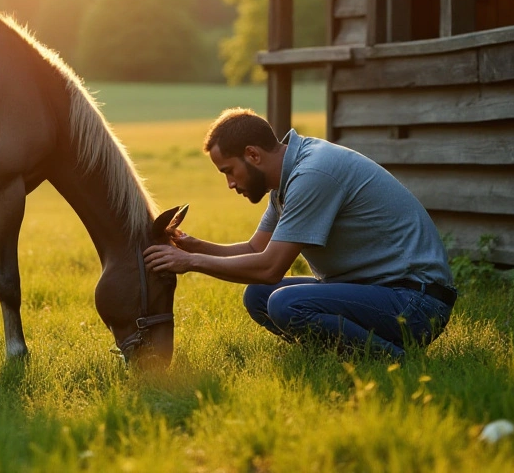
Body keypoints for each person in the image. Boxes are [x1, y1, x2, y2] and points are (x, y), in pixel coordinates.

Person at [143, 108, 455, 359]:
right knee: (259, 297)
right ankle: (341, 358)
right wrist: (192, 246)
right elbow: (255, 249)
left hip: (416, 303)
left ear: (252, 155)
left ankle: (396, 361)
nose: (230, 184)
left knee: (286, 304)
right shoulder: (285, 181)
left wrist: (191, 262)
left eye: (228, 171)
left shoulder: (313, 174)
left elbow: (269, 268)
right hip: (378, 292)